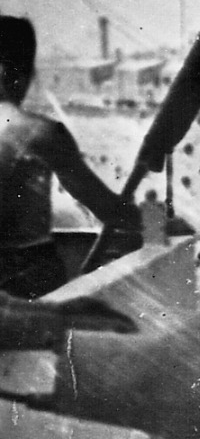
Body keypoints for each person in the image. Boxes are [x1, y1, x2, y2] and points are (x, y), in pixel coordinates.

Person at [0, 17, 140, 298]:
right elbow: (103, 206)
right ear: (16, 74)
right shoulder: (43, 132)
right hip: (27, 276)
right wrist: (146, 220)